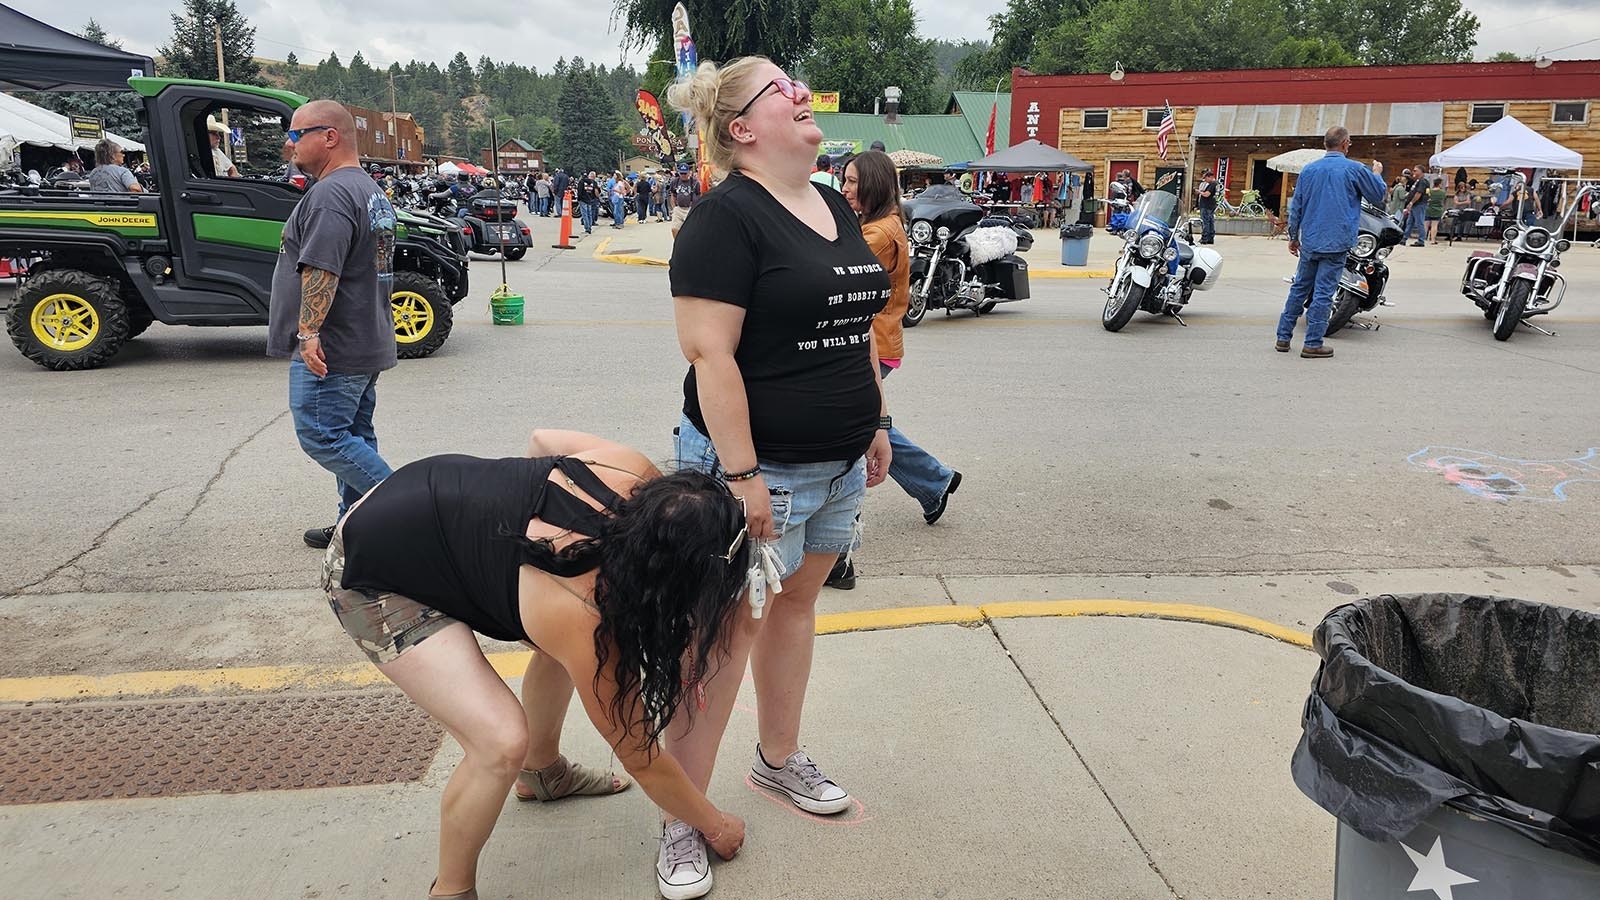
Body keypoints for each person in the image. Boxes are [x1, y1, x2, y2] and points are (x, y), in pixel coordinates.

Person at [326, 429, 751, 900]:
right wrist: (715, 825)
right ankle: (451, 889)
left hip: (413, 499)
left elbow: (540, 440)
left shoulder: (632, 470)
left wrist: (502, 517)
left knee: (556, 646)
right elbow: (641, 758)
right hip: (370, 573)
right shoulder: (581, 611)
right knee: (499, 741)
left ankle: (542, 774)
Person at [663, 56, 892, 898]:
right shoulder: (724, 220)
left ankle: (778, 759)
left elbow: (855, 325)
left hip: (838, 466)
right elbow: (708, 353)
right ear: (742, 130)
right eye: (779, 90)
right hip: (761, 473)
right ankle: (681, 811)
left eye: (798, 84)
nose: (802, 94)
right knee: (724, 639)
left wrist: (876, 421)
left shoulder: (830, 202)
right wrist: (741, 475)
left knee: (795, 610)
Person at [265, 100, 398, 548]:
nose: (290, 143)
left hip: (335, 346)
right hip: (364, 337)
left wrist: (308, 333)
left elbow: (322, 270)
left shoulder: (330, 194)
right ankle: (356, 529)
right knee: (355, 436)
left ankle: (412, 513)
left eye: (297, 133)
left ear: (330, 136)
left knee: (323, 435)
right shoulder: (368, 190)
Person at [832, 149, 961, 589]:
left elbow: (834, 271)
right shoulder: (879, 225)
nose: (844, 189)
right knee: (871, 425)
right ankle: (934, 483)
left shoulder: (877, 235)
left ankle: (838, 548)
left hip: (872, 343)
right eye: (843, 181)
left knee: (852, 431)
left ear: (872, 186)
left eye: (851, 182)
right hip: (876, 341)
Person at [1275, 125, 1386, 360]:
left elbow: (1297, 207)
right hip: (1337, 240)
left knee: (1299, 288)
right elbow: (1377, 195)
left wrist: (1294, 237)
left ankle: (1283, 337)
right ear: (1345, 143)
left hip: (1312, 240)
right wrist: (1376, 173)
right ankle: (1313, 342)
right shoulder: (1354, 169)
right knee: (1324, 292)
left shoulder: (1309, 170)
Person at [1400, 164, 1430, 246]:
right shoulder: (1417, 181)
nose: (1413, 172)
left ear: (1421, 171)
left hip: (1419, 204)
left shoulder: (1423, 181)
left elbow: (1418, 193)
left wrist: (1411, 202)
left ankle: (1421, 240)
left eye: (1415, 170)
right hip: (1415, 205)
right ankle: (1404, 238)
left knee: (1419, 222)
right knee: (1410, 222)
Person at [669, 162, 699, 238]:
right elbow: (673, 195)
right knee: (674, 228)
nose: (683, 175)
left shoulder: (694, 182)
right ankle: (677, 243)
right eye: (681, 173)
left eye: (685, 173)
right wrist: (674, 207)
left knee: (691, 230)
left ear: (689, 172)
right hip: (679, 208)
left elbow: (699, 195)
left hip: (690, 208)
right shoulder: (675, 182)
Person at [1195, 168, 1218, 244]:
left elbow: (1206, 194)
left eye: (1206, 178)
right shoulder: (1215, 184)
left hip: (1206, 205)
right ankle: (1210, 238)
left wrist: (1199, 192)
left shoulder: (1212, 184)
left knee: (1205, 222)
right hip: (1211, 205)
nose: (1205, 180)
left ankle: (1205, 238)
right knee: (1210, 221)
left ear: (1210, 177)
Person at [575, 169, 600, 234]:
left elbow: (579, 192)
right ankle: (590, 227)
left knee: (584, 214)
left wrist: (579, 199)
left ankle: (587, 228)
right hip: (590, 199)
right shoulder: (592, 182)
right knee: (589, 214)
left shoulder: (581, 182)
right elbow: (593, 191)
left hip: (583, 200)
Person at [1425, 177, 1446, 244]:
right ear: (1439, 184)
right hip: (1437, 209)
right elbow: (1443, 201)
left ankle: (1423, 238)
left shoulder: (1429, 191)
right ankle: (1433, 240)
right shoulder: (1442, 192)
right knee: (1434, 225)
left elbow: (1426, 199)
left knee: (1425, 225)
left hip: (1428, 209)